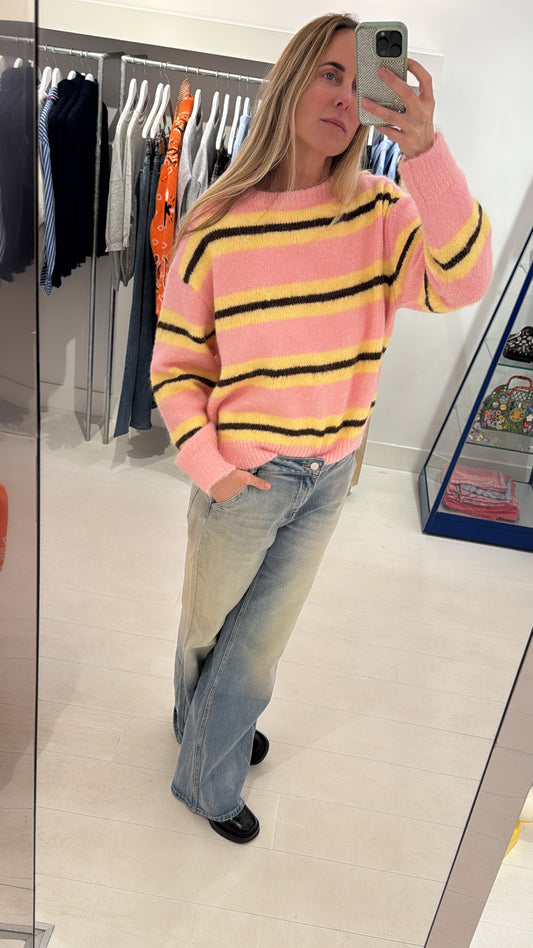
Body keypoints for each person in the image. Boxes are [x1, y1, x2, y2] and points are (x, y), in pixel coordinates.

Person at [150, 12, 492, 844]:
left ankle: (205, 780)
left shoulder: (381, 212)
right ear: (291, 81)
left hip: (328, 474)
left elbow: (461, 282)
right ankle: (199, 720)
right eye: (328, 74)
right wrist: (211, 468)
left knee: (257, 642)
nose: (344, 96)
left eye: (358, 78)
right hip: (244, 476)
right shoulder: (217, 220)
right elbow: (177, 365)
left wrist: (424, 152)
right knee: (206, 628)